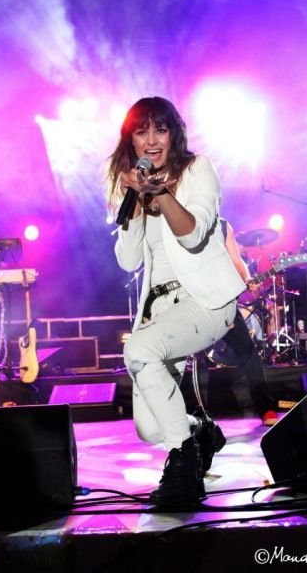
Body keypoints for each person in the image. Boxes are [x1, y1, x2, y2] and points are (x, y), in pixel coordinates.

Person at [107, 96, 247, 506]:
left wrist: (162, 193)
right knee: (151, 428)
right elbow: (128, 260)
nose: (151, 140)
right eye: (142, 131)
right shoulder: (130, 184)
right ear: (131, 140)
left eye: (160, 129)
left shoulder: (197, 170)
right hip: (161, 309)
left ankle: (184, 468)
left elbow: (193, 234)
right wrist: (134, 203)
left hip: (205, 299)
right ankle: (201, 432)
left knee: (138, 350)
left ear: (174, 134)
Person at [219, 219, 278, 426]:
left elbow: (236, 259)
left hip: (222, 303)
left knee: (248, 352)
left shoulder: (222, 225)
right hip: (191, 302)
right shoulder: (180, 220)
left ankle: (266, 408)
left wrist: (246, 277)